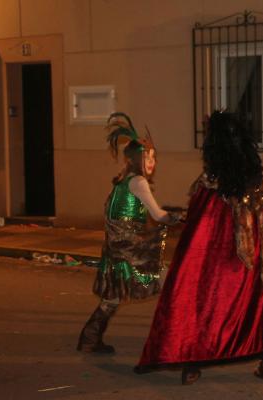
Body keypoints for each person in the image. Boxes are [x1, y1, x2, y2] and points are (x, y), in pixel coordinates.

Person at [135, 111, 263, 385]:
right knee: (257, 305)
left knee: (203, 302)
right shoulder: (258, 187)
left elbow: (195, 244)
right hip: (250, 265)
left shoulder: (210, 189)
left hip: (223, 267)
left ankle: (194, 363)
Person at [77, 112, 180, 353]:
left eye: (155, 158)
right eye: (149, 157)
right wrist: (180, 217)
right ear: (136, 159)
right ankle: (171, 340)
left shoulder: (123, 181)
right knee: (170, 283)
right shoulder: (139, 183)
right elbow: (158, 216)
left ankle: (89, 339)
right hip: (131, 250)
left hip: (116, 249)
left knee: (112, 297)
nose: (153, 163)